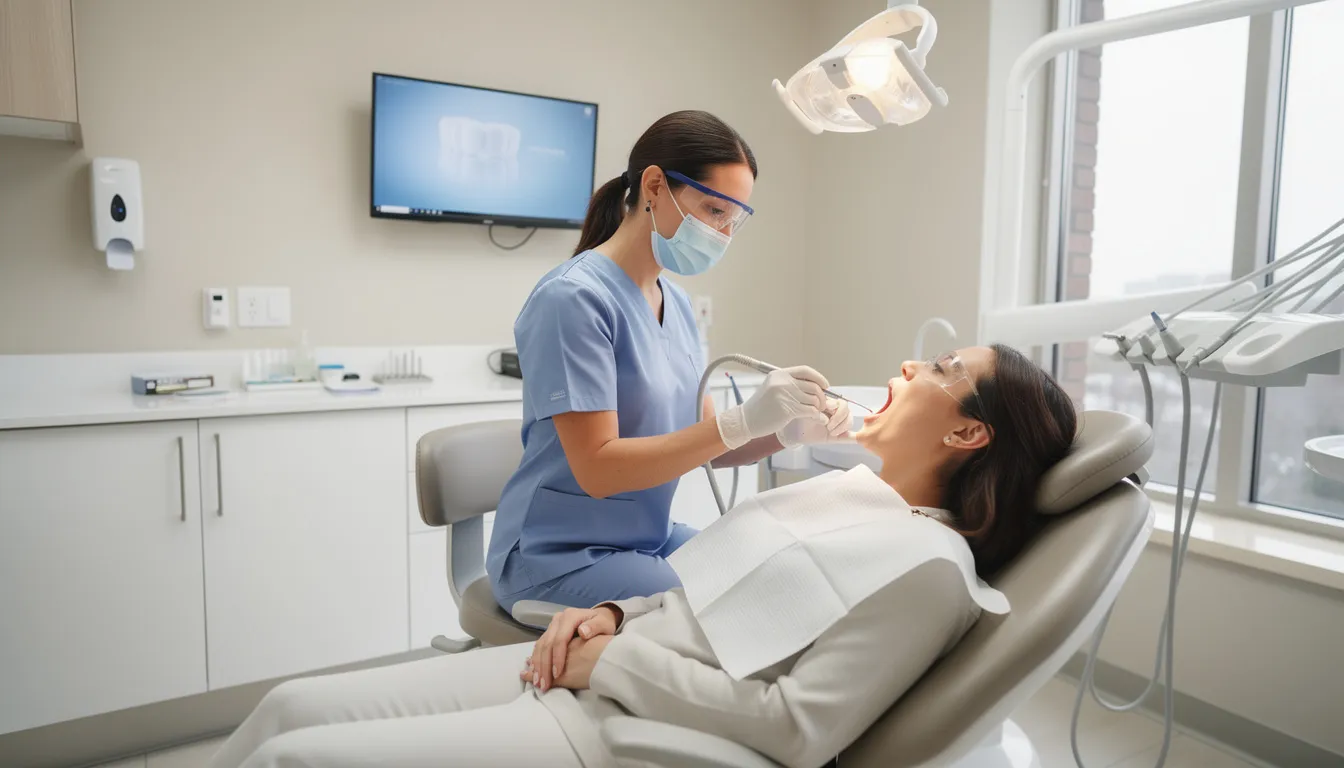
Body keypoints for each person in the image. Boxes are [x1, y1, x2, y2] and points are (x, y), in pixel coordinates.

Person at [208, 345, 1078, 768]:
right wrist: (618, 613)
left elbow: (797, 729)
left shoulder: (927, 572)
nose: (907, 363)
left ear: (968, 430)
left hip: (632, 724)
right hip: (604, 657)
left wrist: (611, 660)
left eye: (940, 366)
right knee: (288, 708)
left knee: (297, 764)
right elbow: (716, 595)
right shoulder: (854, 496)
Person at [488, 110, 851, 615]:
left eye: (734, 219)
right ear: (654, 185)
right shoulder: (572, 300)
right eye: (713, 210)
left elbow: (708, 445)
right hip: (558, 558)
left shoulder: (676, 304)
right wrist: (742, 420)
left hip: (646, 539)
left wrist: (790, 431)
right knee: (736, 608)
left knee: (774, 572)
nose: (723, 233)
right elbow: (597, 470)